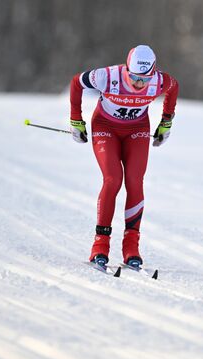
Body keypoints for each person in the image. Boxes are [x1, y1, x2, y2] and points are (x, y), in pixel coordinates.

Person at [69, 45, 179, 268]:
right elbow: (76, 82)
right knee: (113, 180)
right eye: (134, 77)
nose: (139, 84)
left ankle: (131, 247)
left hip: (136, 130)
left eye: (144, 79)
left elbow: (174, 86)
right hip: (105, 127)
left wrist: (165, 122)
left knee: (135, 182)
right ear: (127, 70)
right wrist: (75, 120)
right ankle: (100, 245)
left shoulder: (159, 81)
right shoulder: (108, 77)